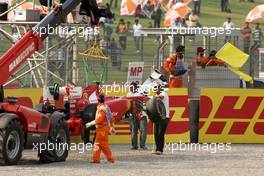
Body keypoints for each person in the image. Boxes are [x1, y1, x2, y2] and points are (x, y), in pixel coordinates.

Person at [86, 94, 115, 163]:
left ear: (98, 100)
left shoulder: (101, 109)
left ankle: (109, 159)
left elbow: (99, 119)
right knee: (98, 144)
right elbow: (111, 118)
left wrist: (90, 123)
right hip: (104, 129)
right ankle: (97, 159)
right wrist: (112, 126)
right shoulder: (106, 107)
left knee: (103, 145)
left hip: (101, 129)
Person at [127, 82, 148, 150]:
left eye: (133, 87)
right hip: (132, 115)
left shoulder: (141, 93)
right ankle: (134, 145)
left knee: (143, 130)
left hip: (141, 114)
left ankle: (142, 145)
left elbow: (146, 99)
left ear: (136, 87)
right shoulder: (128, 94)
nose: (131, 88)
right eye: (130, 87)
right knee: (133, 131)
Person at [152, 84, 169, 155]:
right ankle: (157, 149)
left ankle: (160, 149)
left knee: (160, 133)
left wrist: (150, 99)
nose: (155, 89)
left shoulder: (164, 93)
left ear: (160, 88)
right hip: (157, 117)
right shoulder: (156, 96)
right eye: (154, 88)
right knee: (156, 133)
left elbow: (160, 98)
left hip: (164, 117)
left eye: (156, 88)